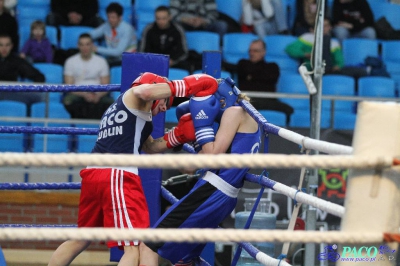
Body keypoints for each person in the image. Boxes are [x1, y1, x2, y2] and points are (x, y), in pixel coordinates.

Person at [47, 72, 219, 266]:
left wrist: (178, 135)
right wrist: (187, 86)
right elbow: (146, 91)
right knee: (134, 246)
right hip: (117, 174)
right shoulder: (135, 95)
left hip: (94, 174)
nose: (164, 107)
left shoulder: (128, 109)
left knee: (80, 238)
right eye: (165, 101)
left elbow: (150, 147)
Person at [143, 77, 262, 265]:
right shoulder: (247, 118)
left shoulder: (234, 112)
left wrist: (202, 124)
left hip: (211, 192)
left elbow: (212, 156)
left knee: (150, 244)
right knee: (185, 259)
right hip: (223, 196)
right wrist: (192, 137)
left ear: (220, 99)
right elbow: (195, 166)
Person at [285, 18, 367, 80]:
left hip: (330, 70)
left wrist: (337, 66)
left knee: (361, 72)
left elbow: (340, 60)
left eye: (326, 26)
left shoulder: (334, 43)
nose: (324, 28)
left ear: (330, 27)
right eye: (321, 26)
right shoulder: (307, 38)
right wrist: (305, 54)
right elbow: (290, 49)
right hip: (312, 68)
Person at [237, 39, 294, 125]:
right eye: (250, 50)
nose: (251, 53)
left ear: (263, 52)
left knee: (289, 110)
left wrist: (250, 76)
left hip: (268, 100)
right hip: (248, 100)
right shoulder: (243, 63)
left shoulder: (272, 66)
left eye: (255, 51)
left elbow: (272, 78)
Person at [62, 33, 113, 119]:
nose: (85, 47)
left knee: (111, 104)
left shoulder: (101, 61)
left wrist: (97, 96)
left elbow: (106, 85)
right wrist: (84, 95)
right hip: (78, 94)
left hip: (98, 95)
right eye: (82, 44)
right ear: (78, 46)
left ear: (92, 45)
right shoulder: (70, 61)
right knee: (69, 101)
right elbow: (69, 86)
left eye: (87, 44)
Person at [0, 33, 45, 114]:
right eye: (1, 45)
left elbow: (39, 76)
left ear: (11, 46)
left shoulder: (16, 61)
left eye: (7, 45)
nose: (4, 48)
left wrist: (34, 88)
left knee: (39, 97)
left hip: (11, 93)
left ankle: (29, 124)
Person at [140, 6, 189, 71]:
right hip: (152, 63)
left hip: (174, 63)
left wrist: (172, 61)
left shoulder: (177, 30)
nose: (161, 21)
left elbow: (183, 51)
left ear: (170, 17)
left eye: (164, 18)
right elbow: (143, 50)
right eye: (158, 19)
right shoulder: (149, 30)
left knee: (186, 66)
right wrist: (153, 61)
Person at [90, 2, 137, 67]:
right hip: (111, 59)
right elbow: (91, 34)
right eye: (108, 17)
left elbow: (118, 52)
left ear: (120, 17)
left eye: (113, 17)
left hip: (126, 61)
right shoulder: (107, 25)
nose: (110, 20)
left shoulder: (127, 29)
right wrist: (87, 42)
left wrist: (96, 49)